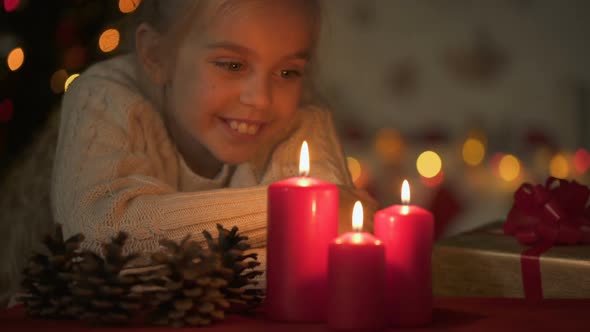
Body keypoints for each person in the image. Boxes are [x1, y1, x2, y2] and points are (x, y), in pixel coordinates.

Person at [51, 0, 378, 268]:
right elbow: (96, 233)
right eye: (232, 65)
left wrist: (153, 257)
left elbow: (324, 256)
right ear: (156, 55)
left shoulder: (299, 121)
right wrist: (299, 209)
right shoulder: (105, 96)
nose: (261, 99)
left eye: (287, 72)